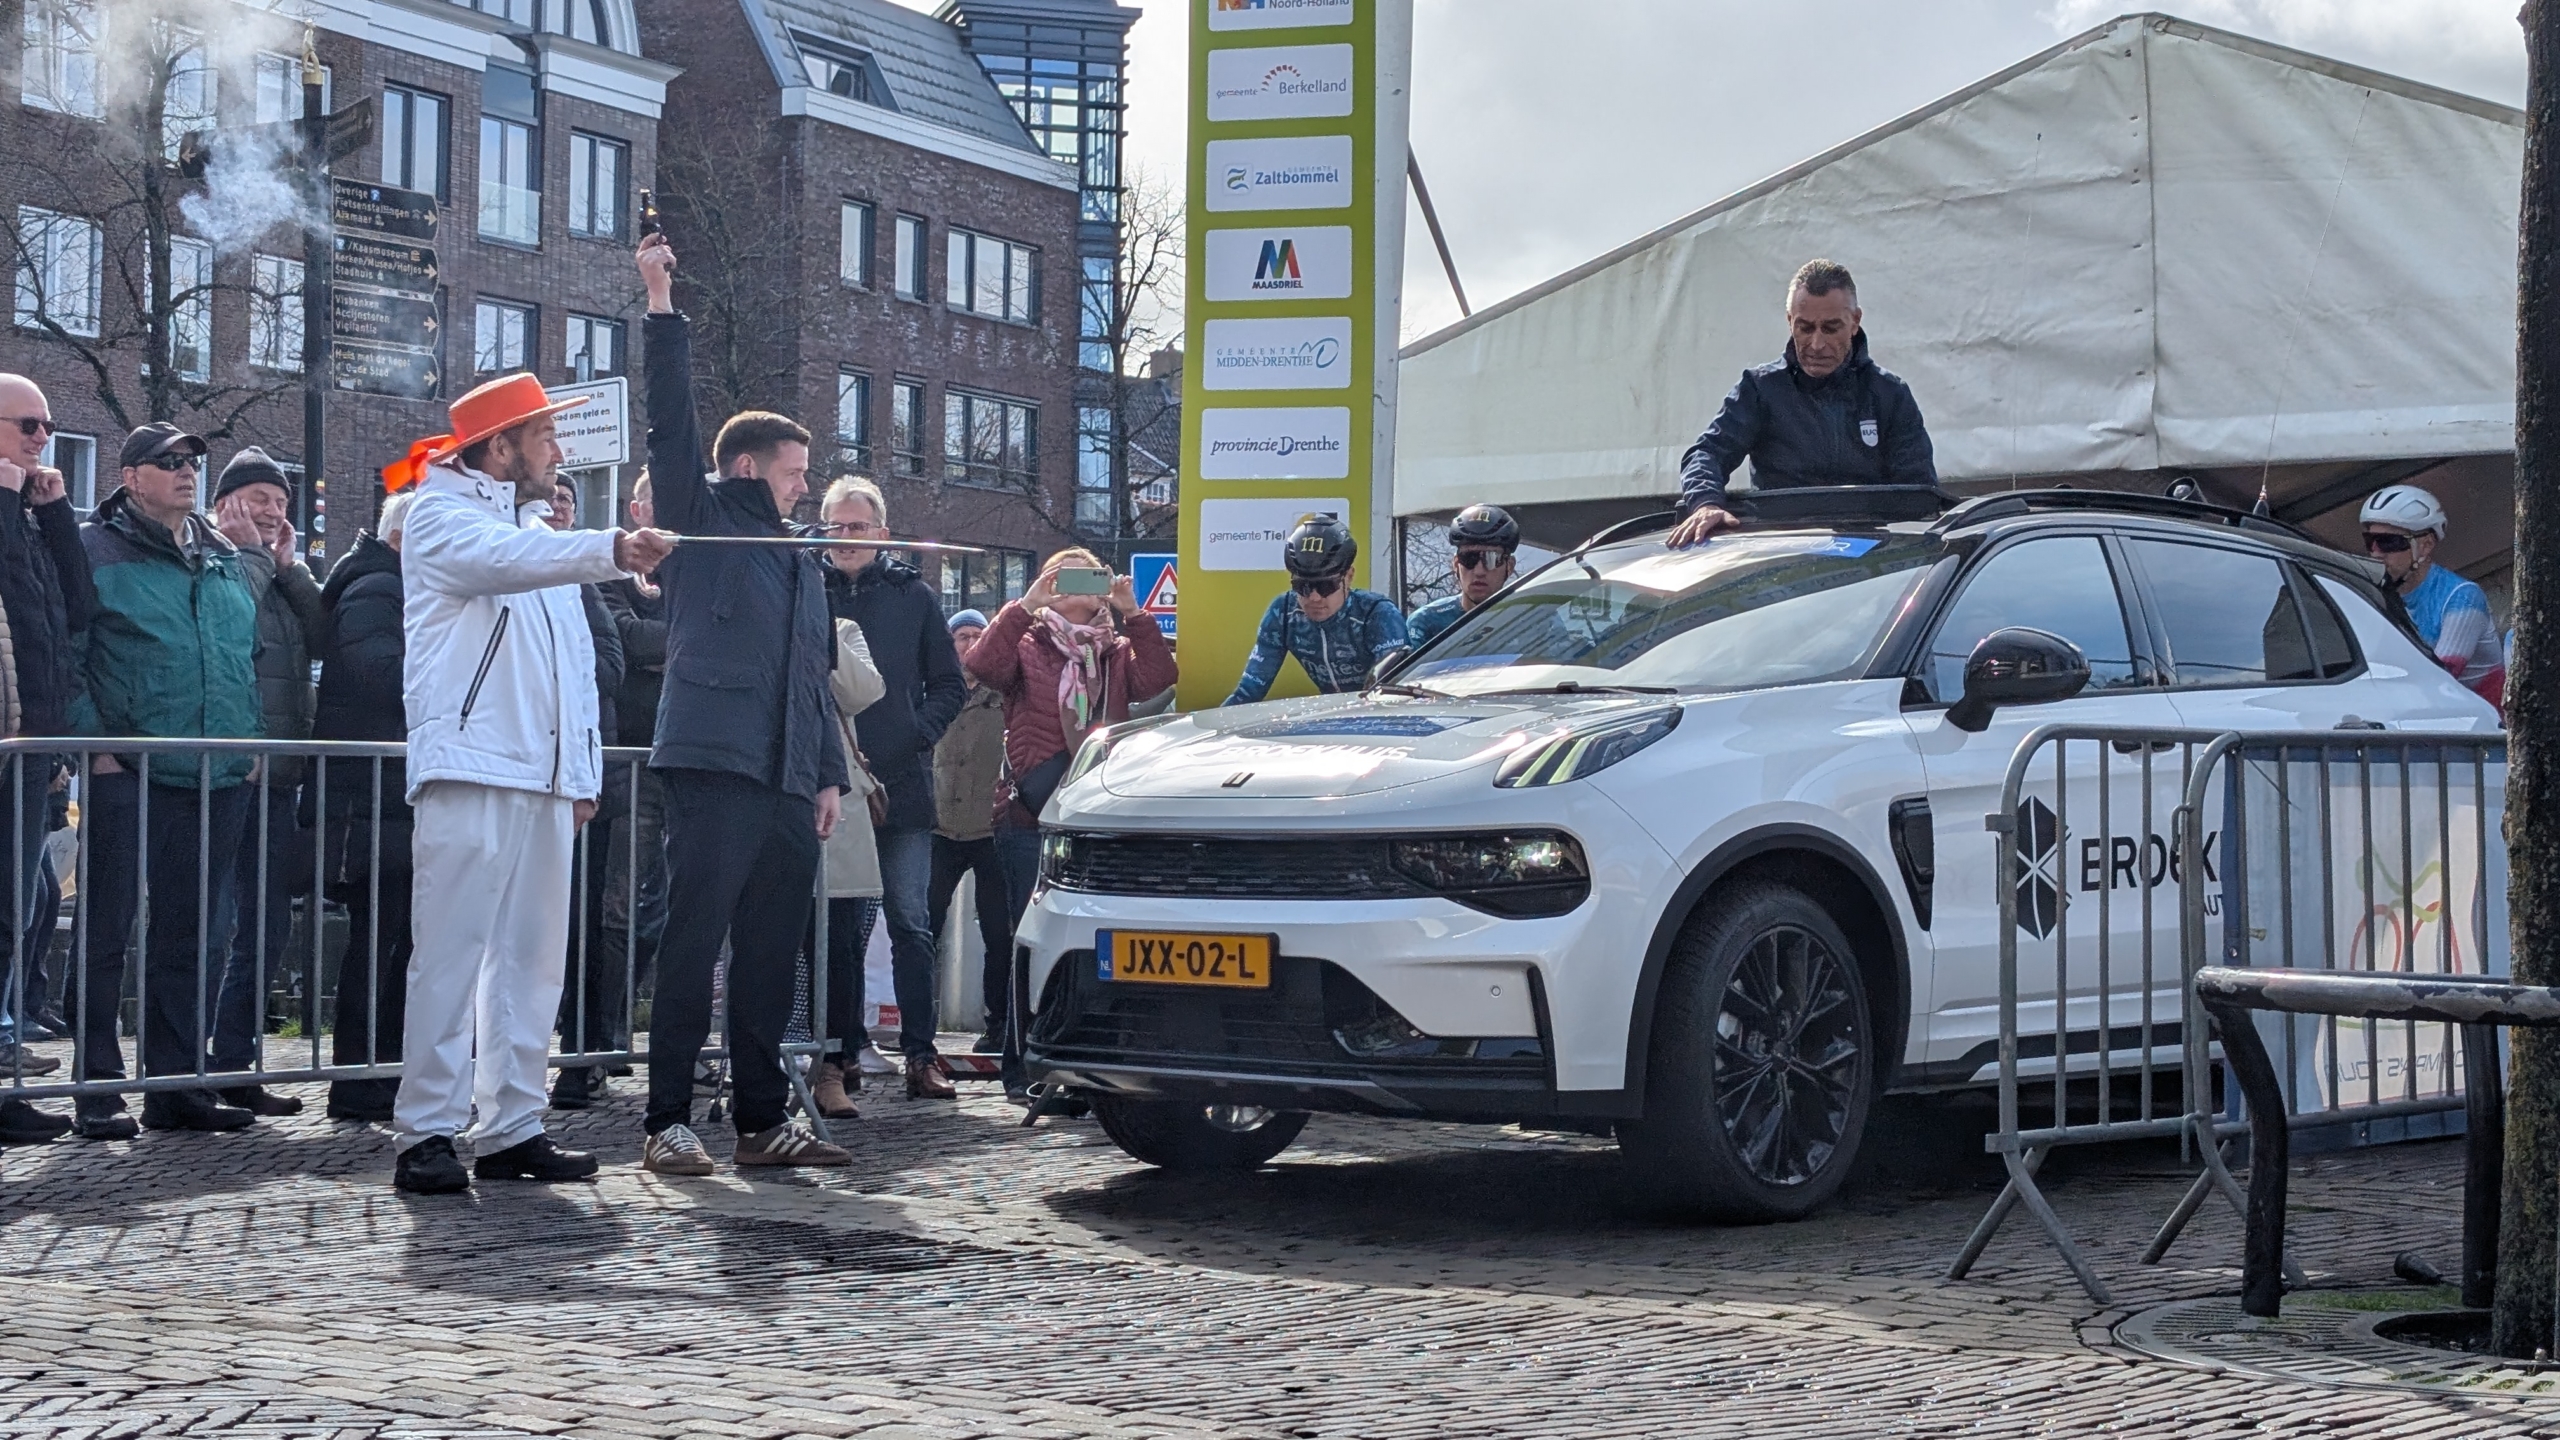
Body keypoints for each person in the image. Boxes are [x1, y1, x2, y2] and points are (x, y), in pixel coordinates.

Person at [382, 372, 674, 1194]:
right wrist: (608, 548)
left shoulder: (533, 533)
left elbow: (576, 668)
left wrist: (580, 773)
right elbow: (501, 563)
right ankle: (427, 1131)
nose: (557, 451)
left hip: (542, 778)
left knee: (532, 962)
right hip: (471, 764)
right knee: (451, 956)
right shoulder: (439, 515)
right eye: (545, 435)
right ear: (500, 445)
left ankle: (512, 1125)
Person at [636, 232, 852, 1174]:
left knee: (770, 955)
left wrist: (827, 774)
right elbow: (668, 423)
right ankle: (666, 1121)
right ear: (750, 467)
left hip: (786, 776)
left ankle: (762, 1121)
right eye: (796, 472)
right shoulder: (700, 516)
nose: (808, 485)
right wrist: (660, 303)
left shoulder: (801, 557)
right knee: (693, 945)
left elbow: (814, 673)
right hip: (713, 762)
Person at [68, 422, 265, 1138]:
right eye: (168, 461)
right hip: (130, 767)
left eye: (192, 462)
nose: (187, 471)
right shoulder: (92, 549)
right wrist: (97, 748)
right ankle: (96, 1088)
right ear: (130, 478)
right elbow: (68, 653)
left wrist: (250, 742)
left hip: (216, 771)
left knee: (191, 933)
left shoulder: (220, 554)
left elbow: (244, 652)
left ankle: (175, 1086)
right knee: (106, 928)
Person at [964, 550, 1177, 1102]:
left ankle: (1084, 1070)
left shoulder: (1116, 650)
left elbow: (1159, 680)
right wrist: (1025, 604)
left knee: (1092, 944)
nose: (1081, 588)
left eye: (1091, 576)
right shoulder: (1027, 642)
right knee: (1029, 942)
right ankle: (1022, 1070)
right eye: (1068, 577)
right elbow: (984, 666)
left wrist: (1134, 614)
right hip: (1029, 814)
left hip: (1094, 818)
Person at [828, 476, 966, 1098]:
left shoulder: (915, 597)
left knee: (911, 922)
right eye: (836, 526)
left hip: (900, 784)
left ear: (882, 534)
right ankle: (841, 1054)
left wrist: (917, 734)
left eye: (858, 526)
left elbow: (950, 684)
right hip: (833, 785)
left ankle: (920, 1055)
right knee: (840, 929)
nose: (846, 537)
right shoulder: (807, 588)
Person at [205, 446, 323, 1118]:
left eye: (281, 503)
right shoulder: (210, 558)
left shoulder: (280, 573)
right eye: (260, 500)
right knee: (214, 923)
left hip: (278, 777)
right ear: (226, 504)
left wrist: (291, 570)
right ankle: (188, 1068)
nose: (274, 512)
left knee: (267, 925)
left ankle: (234, 1062)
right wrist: (252, 557)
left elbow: (326, 635)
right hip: (226, 774)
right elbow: (224, 631)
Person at [1665, 259, 1937, 548]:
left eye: (1831, 328)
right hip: (1783, 552)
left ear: (1855, 321)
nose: (1816, 344)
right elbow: (1707, 453)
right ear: (1789, 321)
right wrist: (1705, 503)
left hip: (1872, 558)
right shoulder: (1760, 389)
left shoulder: (1890, 394)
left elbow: (1919, 496)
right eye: (1805, 328)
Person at [0, 374, 95, 1145]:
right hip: (8, 739)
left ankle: (6, 1084)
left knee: (16, 911)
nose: (41, 439)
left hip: (32, 743)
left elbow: (80, 605)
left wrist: (56, 512)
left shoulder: (28, 516)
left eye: (49, 427)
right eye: (27, 425)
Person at [310, 492, 414, 1123]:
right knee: (379, 939)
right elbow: (384, 676)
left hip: (389, 792)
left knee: (394, 939)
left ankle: (382, 1069)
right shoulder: (378, 588)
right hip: (373, 794)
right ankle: (358, 1076)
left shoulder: (382, 584)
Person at [540, 474, 632, 1111]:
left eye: (564, 502)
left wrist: (550, 666)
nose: (554, 509)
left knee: (584, 919)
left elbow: (610, 665)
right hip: (512, 773)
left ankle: (580, 1056)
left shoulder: (583, 582)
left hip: (578, 776)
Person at [804, 541, 887, 1121]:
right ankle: (773, 1060)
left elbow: (864, 692)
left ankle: (834, 1063)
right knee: (773, 940)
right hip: (773, 790)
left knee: (837, 943)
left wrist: (821, 633)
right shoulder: (761, 626)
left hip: (835, 802)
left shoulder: (842, 630)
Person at [928, 608, 1011, 1059]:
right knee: (923, 928)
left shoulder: (1006, 694)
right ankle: (920, 1027)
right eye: (962, 636)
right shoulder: (934, 693)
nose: (970, 643)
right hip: (939, 827)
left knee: (1000, 933)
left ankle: (998, 1026)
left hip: (991, 829)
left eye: (979, 635)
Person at [1226, 513, 1406, 705]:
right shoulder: (1283, 613)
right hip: (1333, 712)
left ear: (1349, 576)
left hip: (1376, 711)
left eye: (1326, 586)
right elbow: (1248, 692)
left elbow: (1394, 691)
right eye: (1302, 586)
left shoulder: (1377, 614)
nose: (1314, 597)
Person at [2361, 484, 2505, 709]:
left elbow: (2438, 679)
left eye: (2389, 542)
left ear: (2426, 545)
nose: (2376, 553)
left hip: (2482, 723)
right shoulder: (2378, 593)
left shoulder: (2462, 598)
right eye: (2370, 541)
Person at [1405, 505, 1520, 649]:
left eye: (1491, 559)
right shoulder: (1426, 622)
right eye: (1469, 559)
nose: (1479, 571)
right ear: (1455, 564)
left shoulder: (1531, 618)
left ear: (1510, 566)